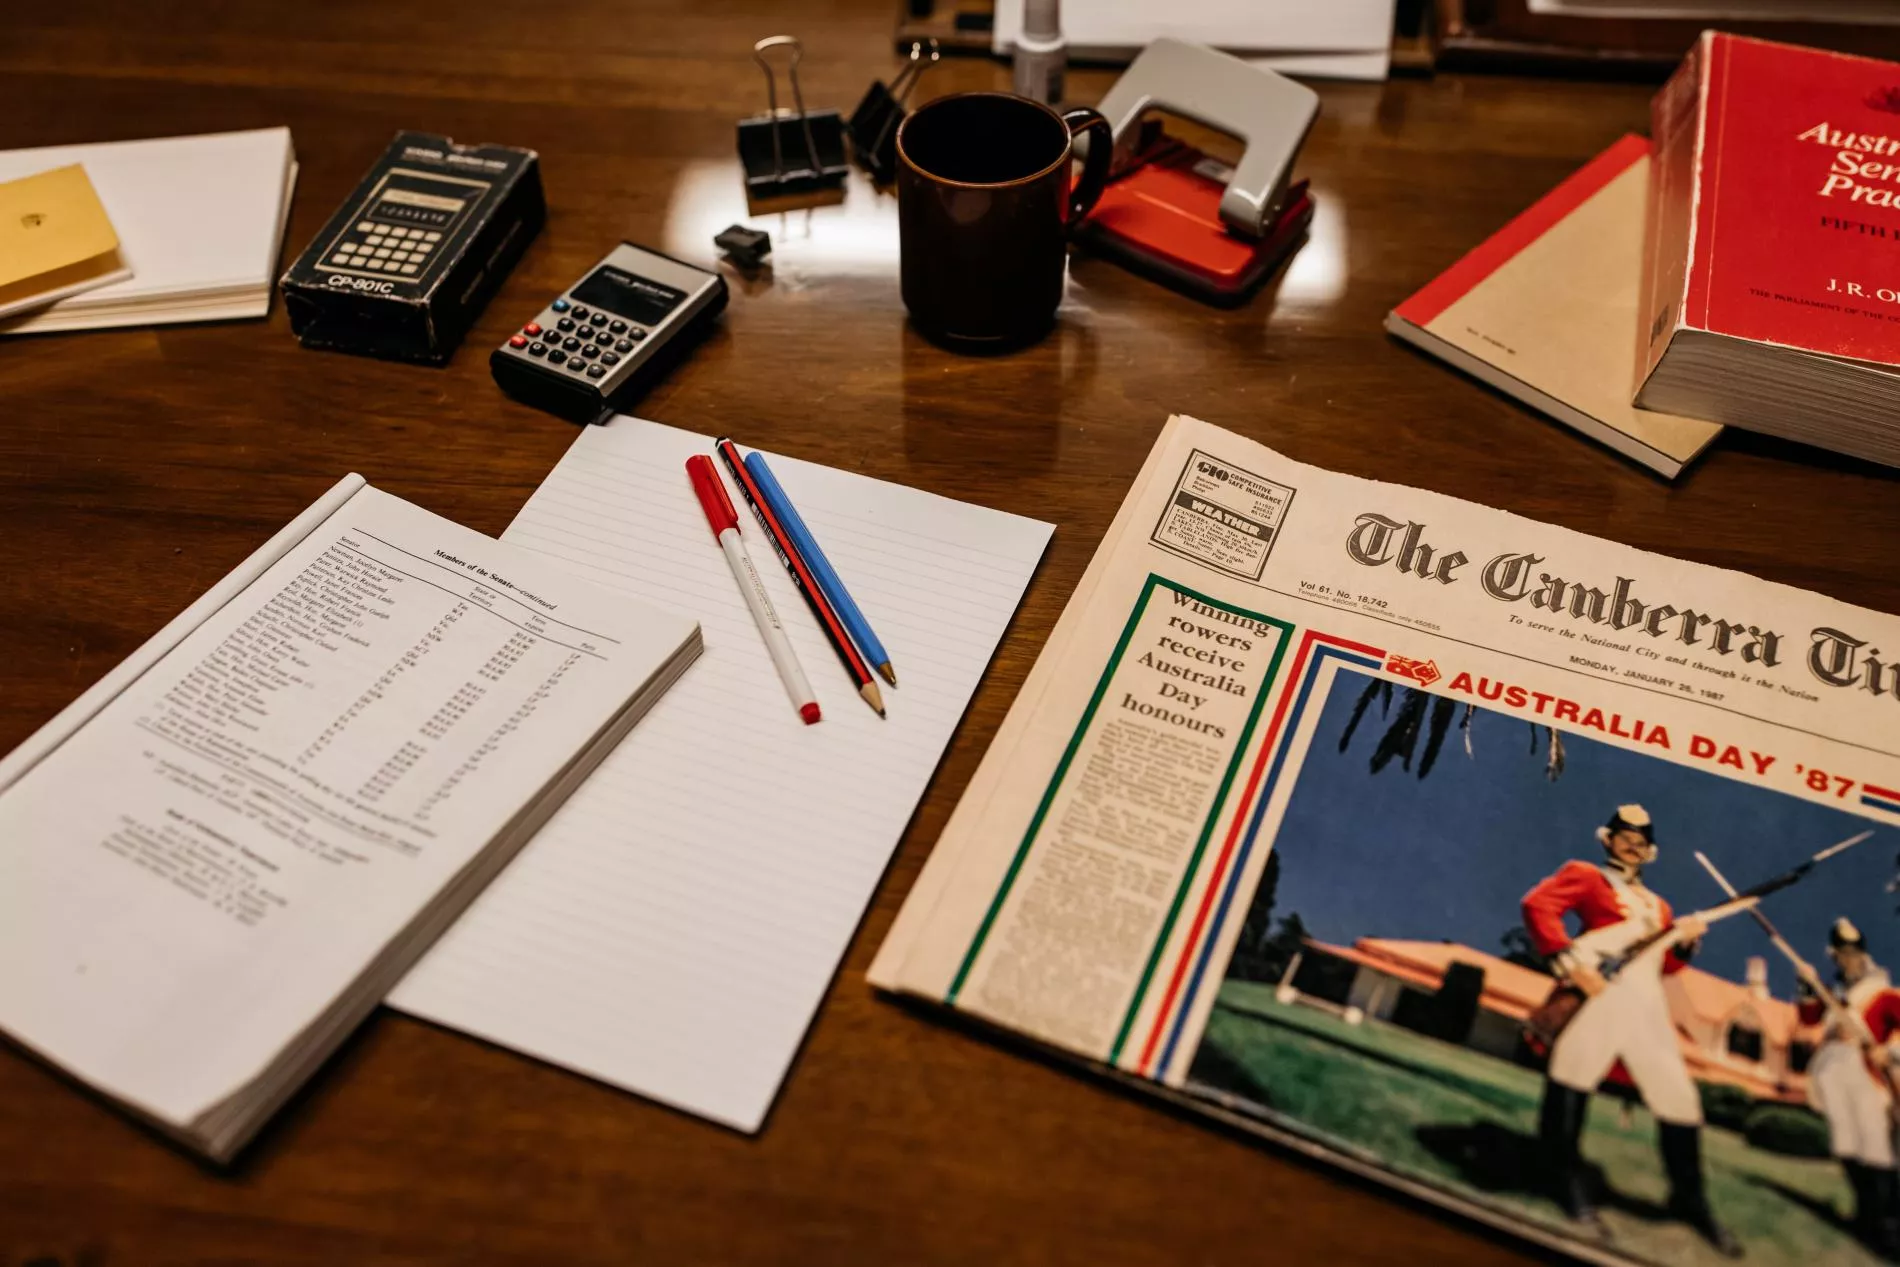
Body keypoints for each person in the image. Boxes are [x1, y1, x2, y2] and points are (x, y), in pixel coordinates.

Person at [1519, 804, 1740, 1256]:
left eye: (1640, 841)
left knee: (1678, 1097)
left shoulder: (1660, 906)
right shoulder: (1586, 875)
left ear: (1649, 851)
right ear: (1607, 839)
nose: (1632, 845)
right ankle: (1561, 1180)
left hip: (1647, 1004)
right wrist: (1568, 964)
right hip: (1601, 991)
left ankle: (1689, 1199)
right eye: (1624, 837)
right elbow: (1537, 905)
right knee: (1572, 1074)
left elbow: (1665, 964)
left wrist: (1687, 941)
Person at [1798, 917, 1900, 1258]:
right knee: (1846, 1143)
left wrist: (1889, 1051)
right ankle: (1865, 1216)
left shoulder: (1882, 994)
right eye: (1843, 954)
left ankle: (1888, 1227)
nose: (1849, 960)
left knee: (1875, 1147)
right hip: (1832, 1070)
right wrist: (1806, 984)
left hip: (1864, 1072)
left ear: (1864, 955)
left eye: (1854, 953)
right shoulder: (1832, 993)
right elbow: (1808, 1019)